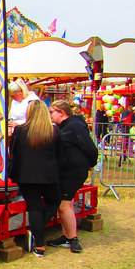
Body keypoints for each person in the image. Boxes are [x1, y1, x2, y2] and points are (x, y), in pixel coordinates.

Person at [8, 100, 62, 257]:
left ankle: (39, 245)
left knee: (35, 207)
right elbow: (59, 154)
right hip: (48, 175)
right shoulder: (54, 131)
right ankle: (37, 238)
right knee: (53, 202)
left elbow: (14, 152)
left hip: (25, 175)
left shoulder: (20, 130)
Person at [47, 101, 99, 253]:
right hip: (66, 170)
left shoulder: (74, 126)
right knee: (66, 204)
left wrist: (91, 164)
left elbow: (90, 148)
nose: (50, 115)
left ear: (61, 112)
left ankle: (73, 238)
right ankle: (66, 235)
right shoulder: (65, 127)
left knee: (64, 205)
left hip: (74, 171)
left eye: (52, 112)